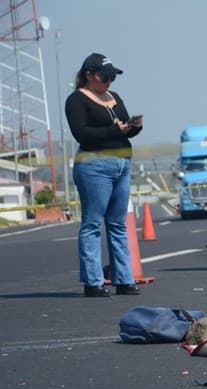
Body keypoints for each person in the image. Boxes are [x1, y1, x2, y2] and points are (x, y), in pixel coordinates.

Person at [65, 53, 143, 298]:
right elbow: (82, 133)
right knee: (92, 223)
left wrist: (134, 128)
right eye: (105, 77)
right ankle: (93, 281)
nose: (109, 82)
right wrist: (114, 129)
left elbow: (123, 132)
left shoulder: (114, 97)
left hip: (121, 163)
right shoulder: (76, 100)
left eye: (112, 77)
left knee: (118, 224)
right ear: (89, 75)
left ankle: (124, 278)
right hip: (94, 165)